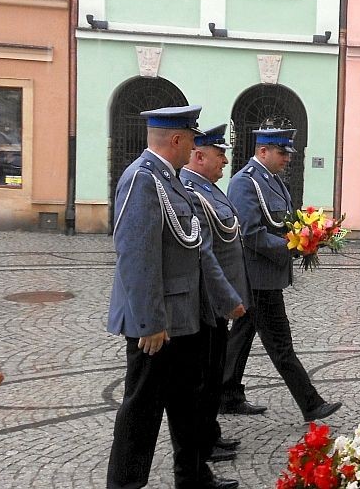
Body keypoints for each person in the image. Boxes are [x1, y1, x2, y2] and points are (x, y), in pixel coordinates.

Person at [106, 106, 245, 489]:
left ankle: (194, 477)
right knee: (142, 412)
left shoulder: (170, 180)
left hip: (183, 318)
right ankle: (124, 485)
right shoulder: (142, 179)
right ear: (178, 139)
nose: (194, 148)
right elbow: (135, 255)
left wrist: (224, 298)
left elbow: (196, 248)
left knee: (188, 404)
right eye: (192, 140)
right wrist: (149, 322)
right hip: (158, 325)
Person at [220, 127, 342, 423]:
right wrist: (294, 246)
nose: (287, 158)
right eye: (281, 153)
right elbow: (250, 233)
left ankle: (227, 396)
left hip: (266, 278)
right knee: (280, 345)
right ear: (263, 151)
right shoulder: (245, 182)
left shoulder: (273, 181)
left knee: (240, 338)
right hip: (257, 280)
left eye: (288, 153)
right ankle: (310, 403)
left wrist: (312, 234)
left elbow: (284, 223)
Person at [180, 124, 251, 466]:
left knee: (213, 373)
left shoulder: (210, 189)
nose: (224, 161)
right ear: (199, 156)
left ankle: (210, 435)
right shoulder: (192, 192)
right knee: (205, 378)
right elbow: (204, 253)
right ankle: (203, 443)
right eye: (219, 154)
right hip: (208, 303)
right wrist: (227, 298)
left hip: (217, 303)